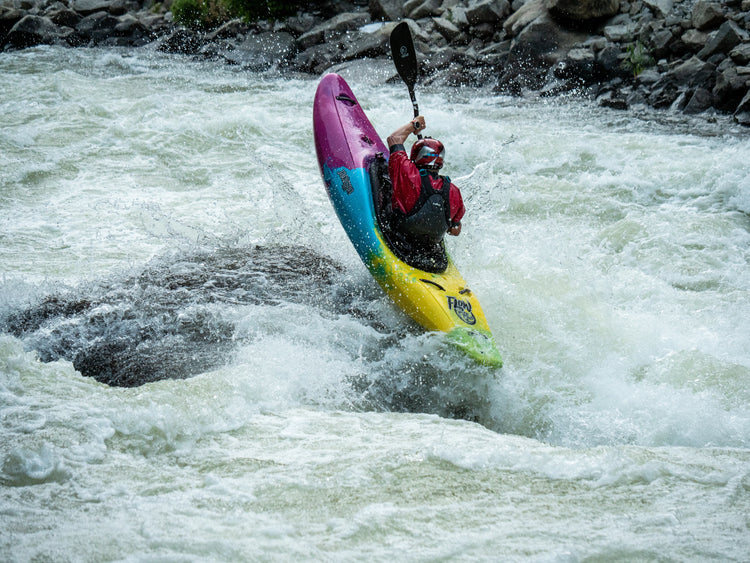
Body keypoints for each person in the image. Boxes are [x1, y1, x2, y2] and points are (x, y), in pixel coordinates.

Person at [385, 116, 464, 250]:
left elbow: (394, 139)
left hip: (399, 241)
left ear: (417, 155)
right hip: (428, 249)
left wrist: (414, 125)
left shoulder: (407, 171)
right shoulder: (453, 190)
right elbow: (455, 230)